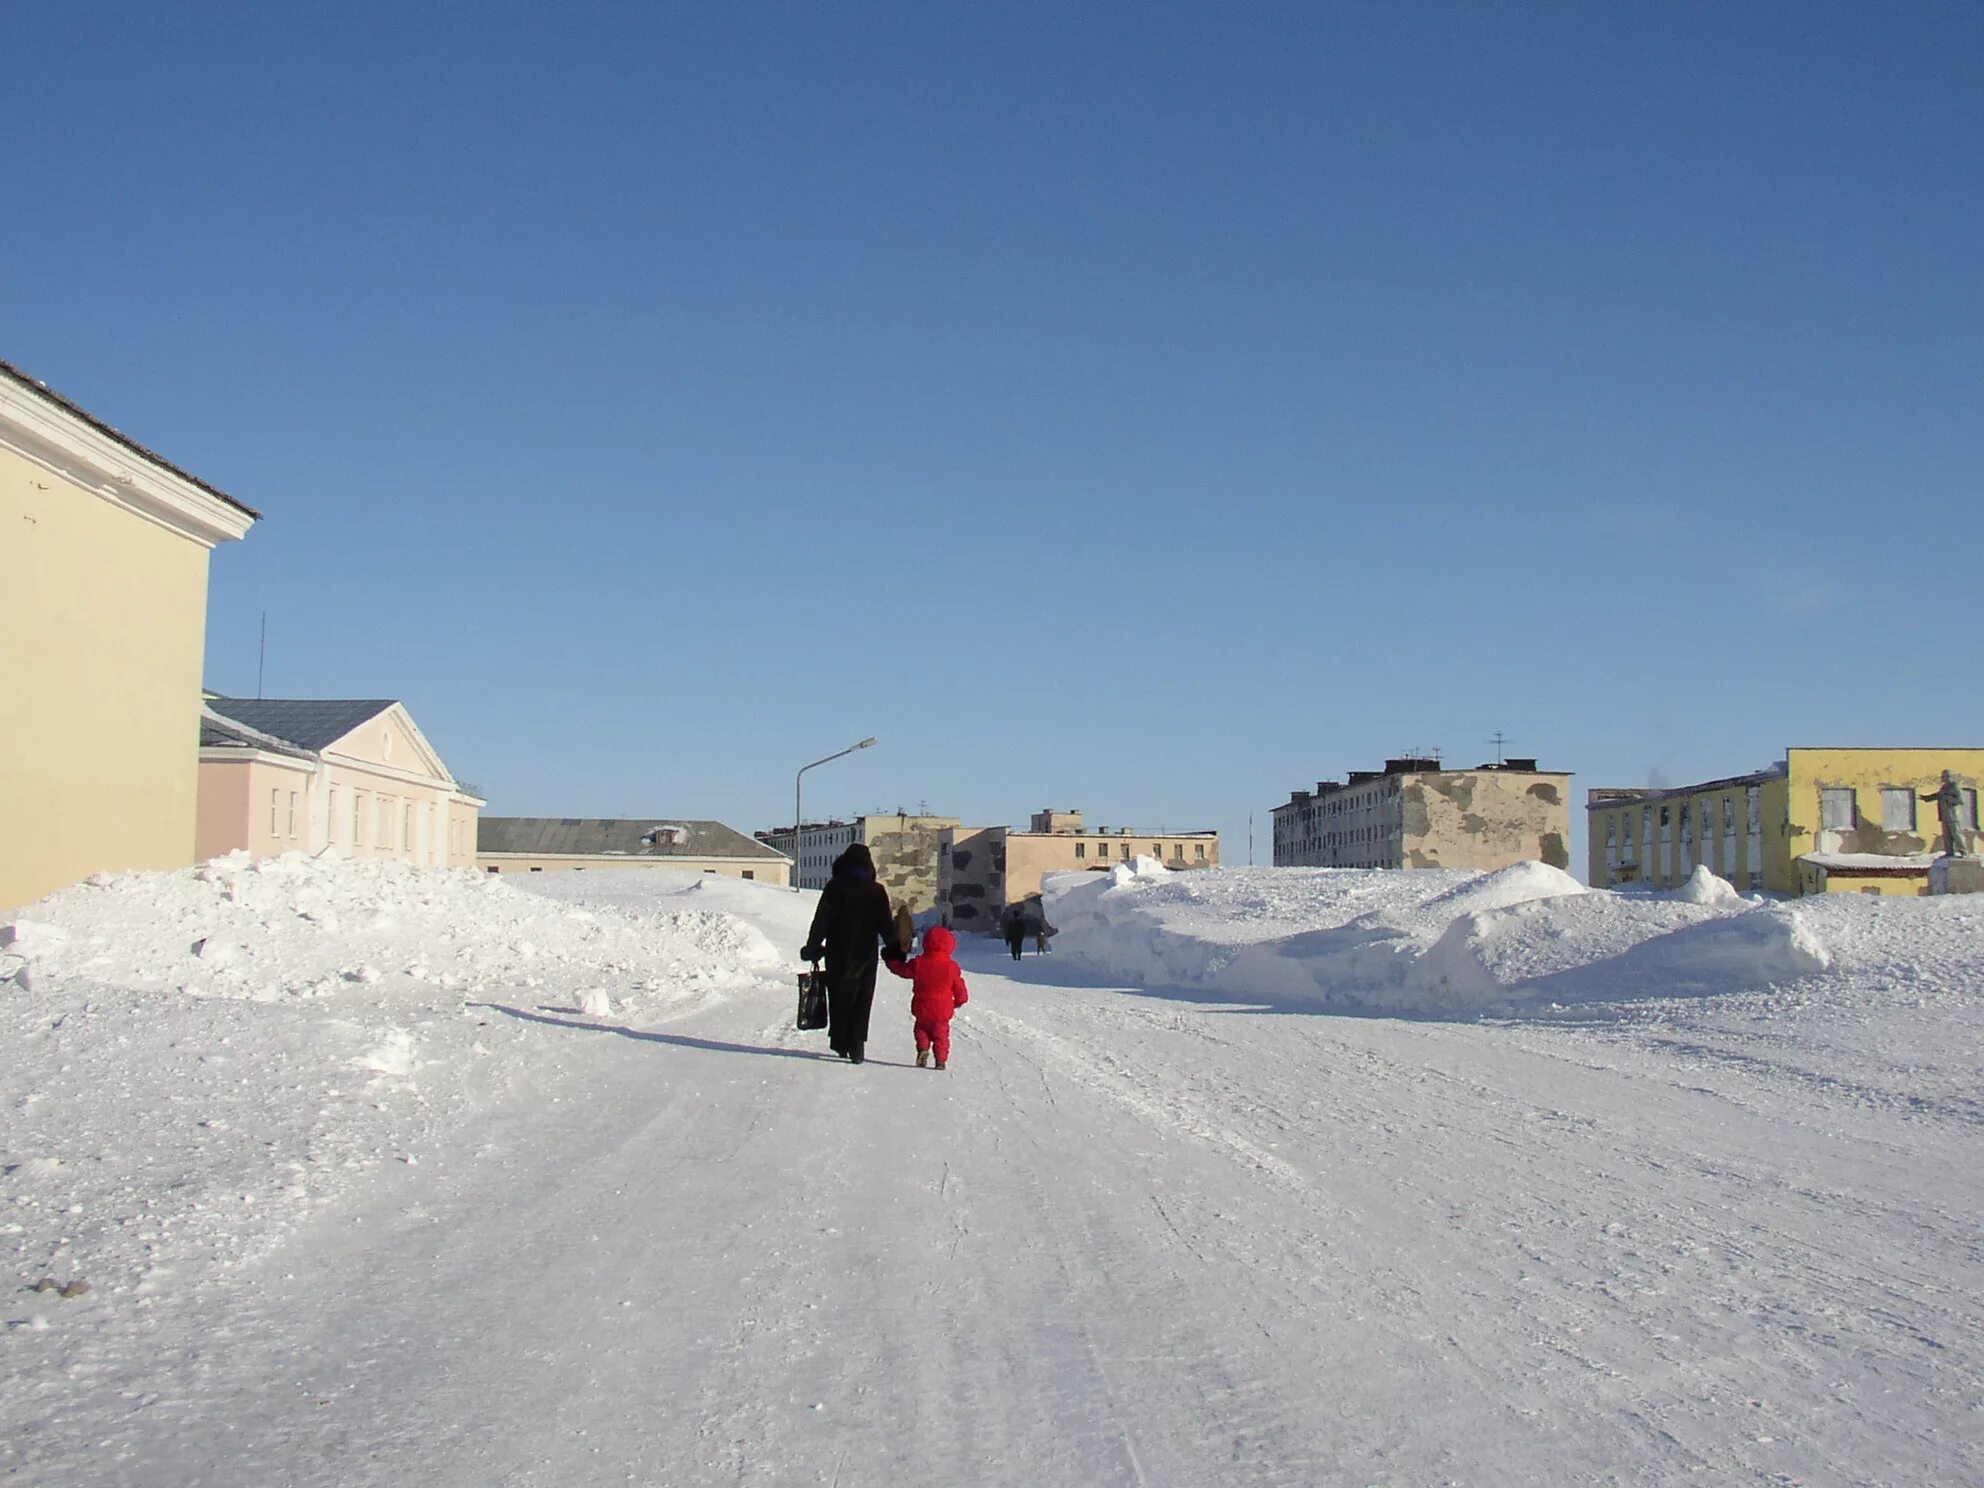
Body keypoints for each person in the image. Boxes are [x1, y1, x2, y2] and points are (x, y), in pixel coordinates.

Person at [800, 844, 902, 1064]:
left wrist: (813, 947)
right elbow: (886, 924)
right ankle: (857, 1044)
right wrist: (894, 949)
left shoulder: (834, 887)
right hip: (865, 953)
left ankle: (839, 1040)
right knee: (862, 998)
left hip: (837, 952)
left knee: (839, 995)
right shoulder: (876, 890)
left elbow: (821, 921)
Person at [884, 925, 970, 1070]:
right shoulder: (951, 967)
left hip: (922, 1006)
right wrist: (960, 1000)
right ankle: (940, 1060)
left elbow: (903, 970)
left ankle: (923, 1048)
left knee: (921, 1029)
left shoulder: (918, 963)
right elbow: (959, 986)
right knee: (941, 1035)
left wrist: (892, 962)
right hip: (942, 1009)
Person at [1921, 771, 1970, 857]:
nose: (1943, 779)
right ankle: (1949, 852)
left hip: (1953, 816)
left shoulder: (1955, 787)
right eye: (1942, 777)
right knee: (1947, 836)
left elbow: (1960, 801)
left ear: (1949, 777)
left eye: (1944, 777)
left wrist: (1947, 798)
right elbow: (1938, 795)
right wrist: (1926, 798)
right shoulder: (1944, 787)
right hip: (1944, 816)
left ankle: (1964, 852)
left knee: (1956, 834)